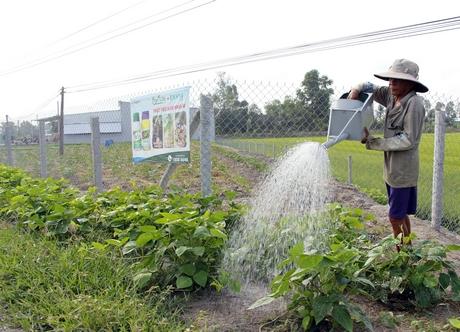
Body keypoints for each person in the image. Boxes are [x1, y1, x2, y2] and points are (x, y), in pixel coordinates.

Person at [348, 59, 428, 250]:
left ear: (410, 83)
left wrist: (374, 142)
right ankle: (408, 249)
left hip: (403, 170)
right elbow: (371, 87)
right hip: (391, 167)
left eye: (397, 80)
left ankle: (402, 255)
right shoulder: (391, 96)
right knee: (400, 214)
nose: (391, 84)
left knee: (394, 216)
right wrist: (355, 90)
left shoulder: (414, 104)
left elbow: (409, 139)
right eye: (390, 80)